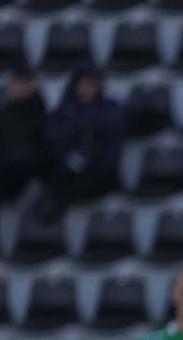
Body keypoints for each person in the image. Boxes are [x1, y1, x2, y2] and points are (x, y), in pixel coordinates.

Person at [40, 63, 124, 221]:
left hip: (99, 172)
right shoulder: (64, 109)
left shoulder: (110, 109)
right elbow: (52, 138)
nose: (88, 88)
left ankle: (52, 207)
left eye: (92, 84)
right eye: (84, 83)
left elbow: (111, 144)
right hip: (67, 169)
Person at [1, 67, 47, 203]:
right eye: (17, 82)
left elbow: (41, 147)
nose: (20, 87)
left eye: (24, 83)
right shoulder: (4, 113)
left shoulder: (38, 112)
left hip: (25, 172)